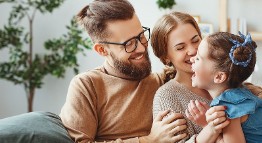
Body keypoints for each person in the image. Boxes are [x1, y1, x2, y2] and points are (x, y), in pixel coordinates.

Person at [59, 0, 188, 142]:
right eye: (129, 43)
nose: (141, 48)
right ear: (102, 50)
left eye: (141, 36)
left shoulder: (162, 81)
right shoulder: (87, 85)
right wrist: (148, 140)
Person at [151, 11, 262, 143]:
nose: (192, 51)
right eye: (180, 47)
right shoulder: (167, 97)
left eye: (195, 40)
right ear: (166, 57)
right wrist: (211, 128)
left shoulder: (229, 84)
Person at [189, 31, 262, 143]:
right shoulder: (243, 92)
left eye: (198, 58)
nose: (192, 59)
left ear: (219, 77)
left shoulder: (227, 105)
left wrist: (208, 125)